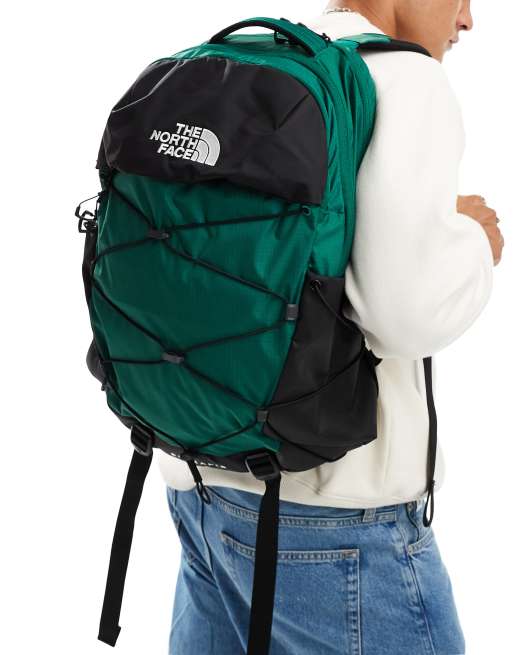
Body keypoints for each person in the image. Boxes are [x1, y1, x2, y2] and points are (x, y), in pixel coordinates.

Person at [161, 2, 504, 653]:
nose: (467, 20)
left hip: (201, 487)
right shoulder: (404, 78)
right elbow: (405, 316)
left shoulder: (255, 58)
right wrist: (472, 242)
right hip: (336, 521)